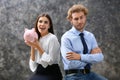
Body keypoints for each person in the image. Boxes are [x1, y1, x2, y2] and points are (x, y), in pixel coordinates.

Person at [61, 4, 108, 80]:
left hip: (89, 74)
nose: (80, 21)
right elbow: (71, 64)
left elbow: (100, 57)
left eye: (81, 17)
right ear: (71, 20)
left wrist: (80, 57)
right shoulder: (66, 38)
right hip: (73, 76)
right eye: (76, 19)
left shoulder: (90, 36)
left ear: (85, 17)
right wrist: (90, 56)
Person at [25, 13, 62, 80]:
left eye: (46, 22)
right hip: (39, 72)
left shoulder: (52, 38)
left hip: (52, 72)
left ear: (49, 26)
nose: (42, 24)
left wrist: (38, 47)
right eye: (40, 21)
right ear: (37, 24)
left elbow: (51, 61)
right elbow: (33, 67)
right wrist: (32, 46)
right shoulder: (36, 38)